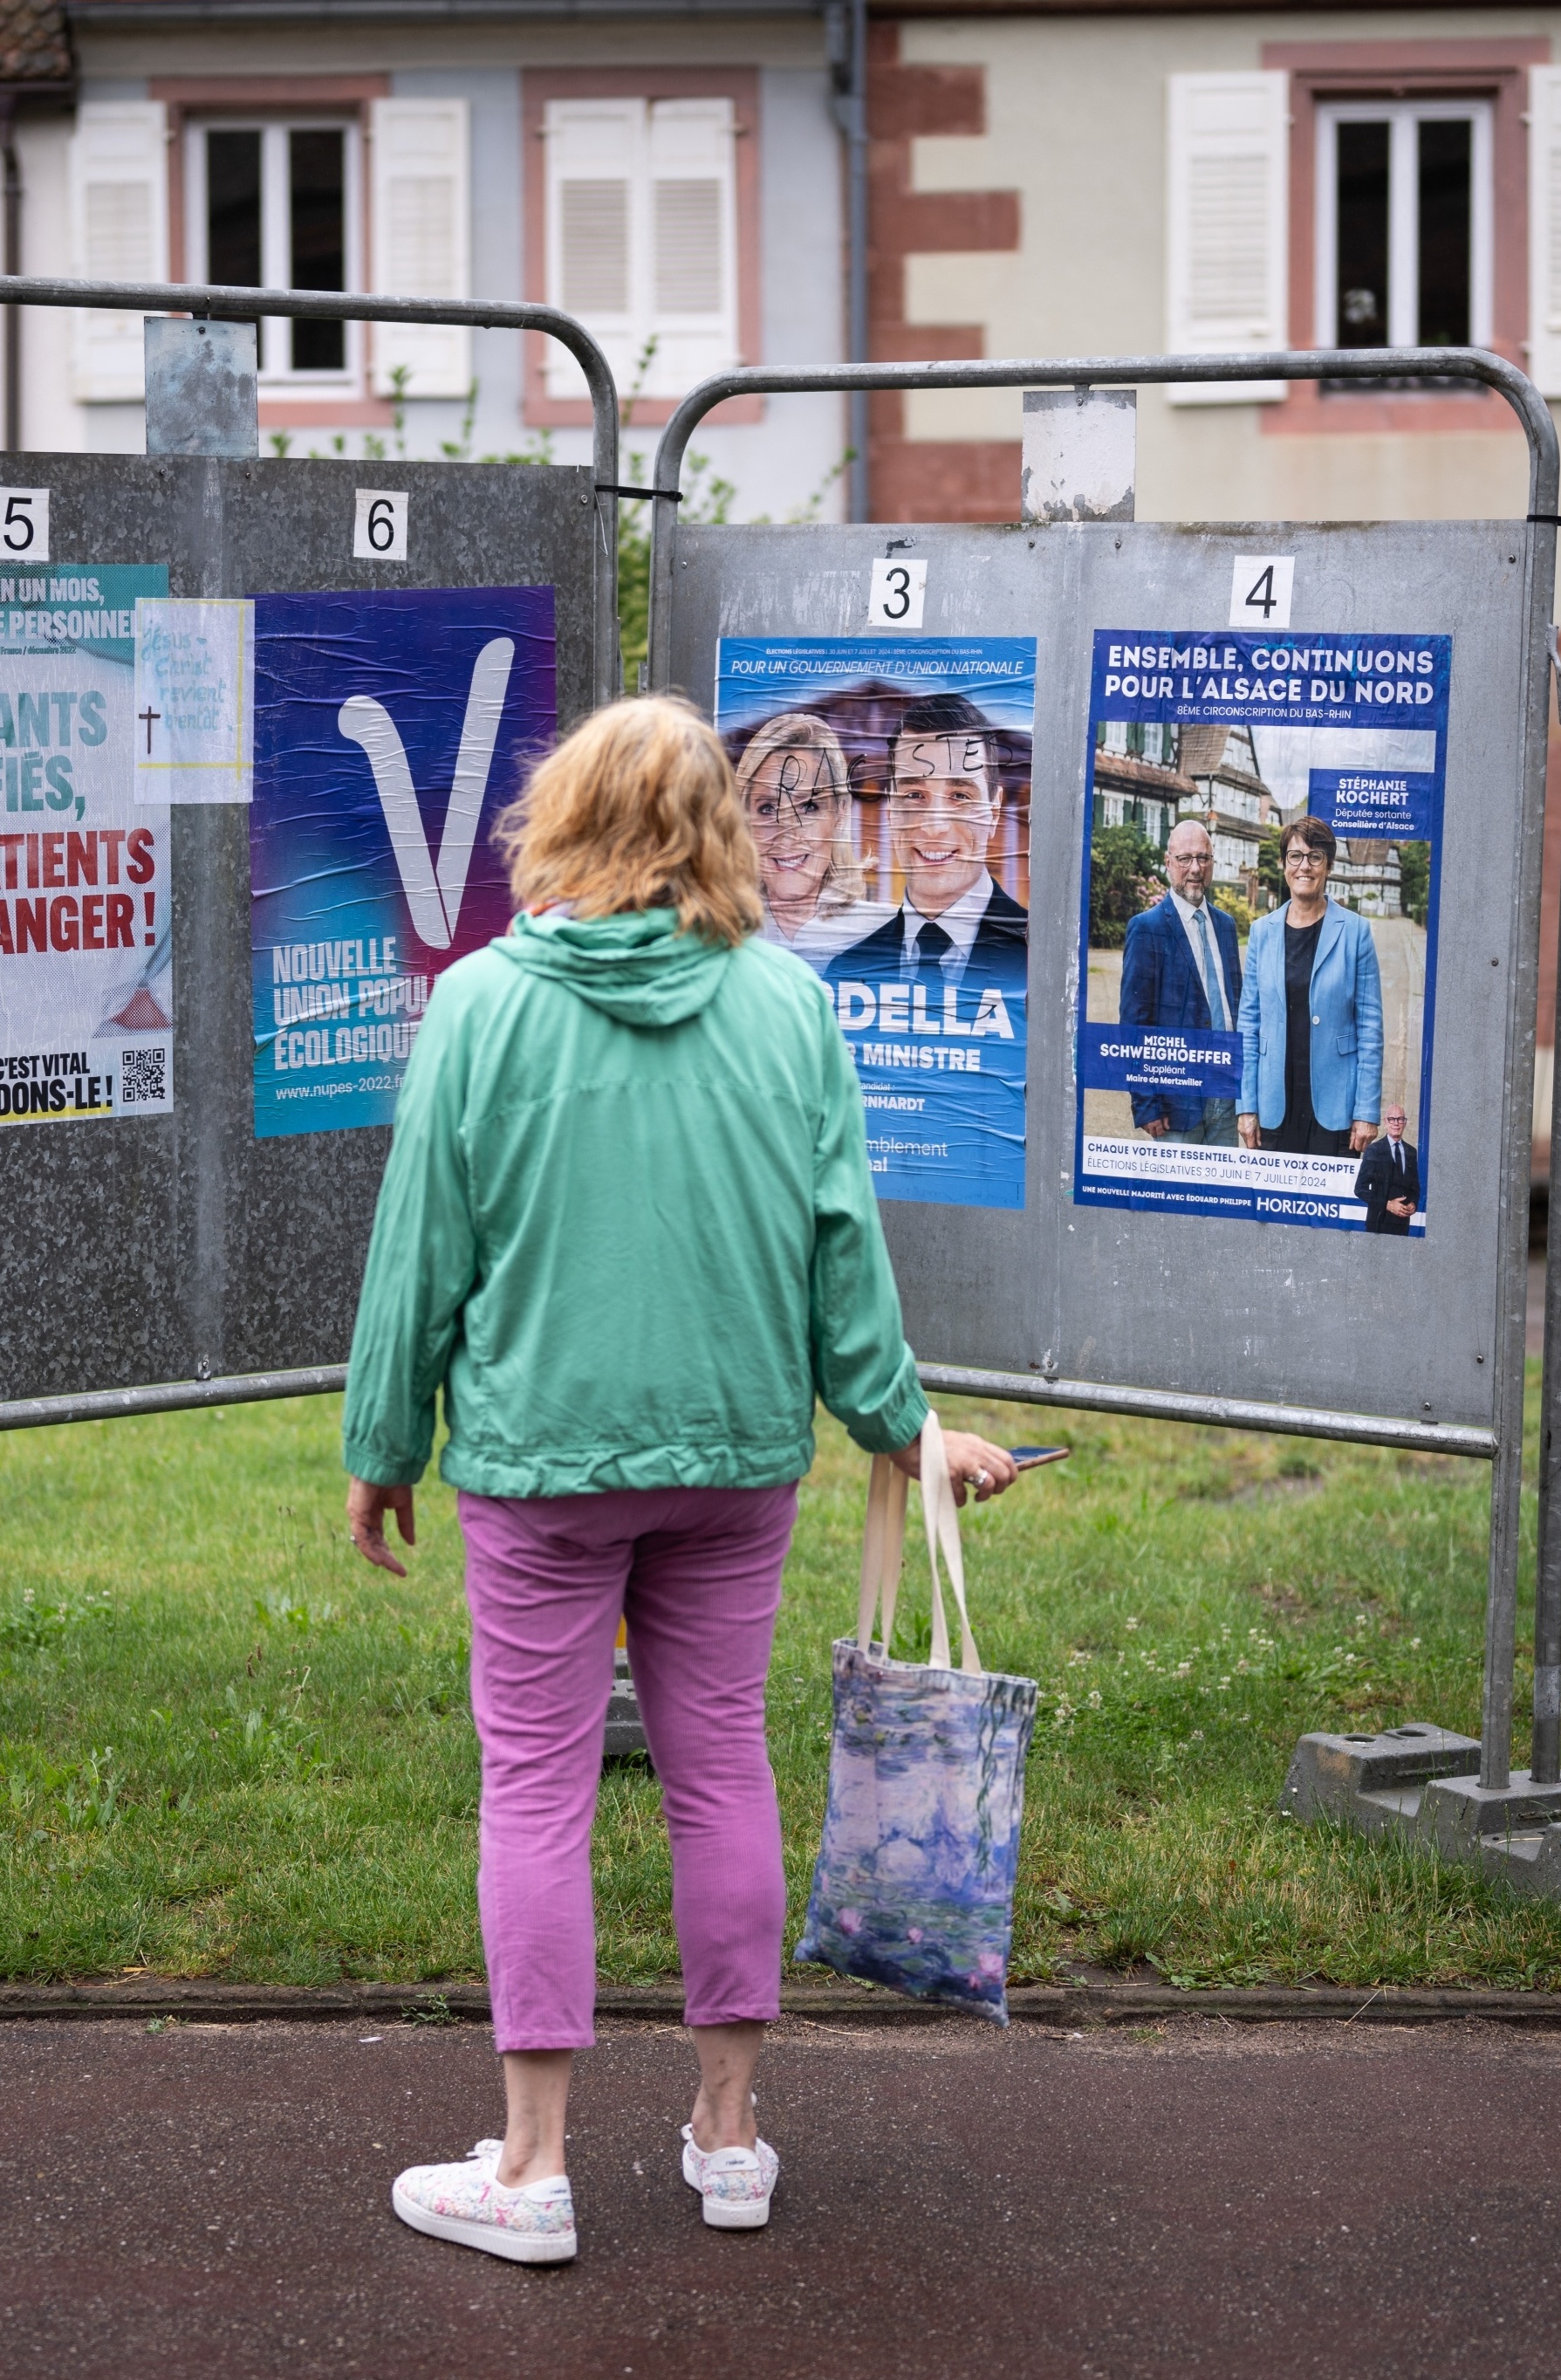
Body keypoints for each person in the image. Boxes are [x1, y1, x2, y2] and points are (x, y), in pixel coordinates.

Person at [340, 695, 1016, 2267]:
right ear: (719, 829)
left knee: (535, 1788)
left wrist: (384, 1448)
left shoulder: (482, 1008)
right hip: (734, 1460)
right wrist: (901, 1426)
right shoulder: (787, 1009)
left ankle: (532, 2166)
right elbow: (843, 1256)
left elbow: (415, 1253)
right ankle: (726, 2136)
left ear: (562, 819)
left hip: (538, 1463)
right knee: (719, 1767)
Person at [830, 692, 1026, 990]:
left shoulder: (1040, 958)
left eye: (960, 796)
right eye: (914, 795)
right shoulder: (847, 971)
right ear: (891, 809)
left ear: (994, 810)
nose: (934, 827)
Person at [1236, 816, 1382, 1157]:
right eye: (1295, 856)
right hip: (1274, 1103)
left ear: (1328, 866)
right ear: (1283, 864)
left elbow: (1371, 1028)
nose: (1305, 866)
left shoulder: (1356, 932)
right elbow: (1248, 1025)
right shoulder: (1261, 932)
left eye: (1315, 857)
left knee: (1332, 1208)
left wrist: (1366, 1111)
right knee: (1273, 1208)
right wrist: (1246, 1105)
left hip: (1336, 1109)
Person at [1116, 817, 1243, 1141]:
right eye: (1185, 859)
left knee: (1221, 1191)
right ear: (1168, 863)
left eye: (1203, 857)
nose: (1195, 869)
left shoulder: (1226, 926)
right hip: (1176, 1105)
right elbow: (1135, 1022)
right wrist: (1146, 1104)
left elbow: (1237, 1006)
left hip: (1227, 1097)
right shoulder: (1147, 928)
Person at [733, 710, 886, 968]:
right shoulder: (717, 935)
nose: (787, 832)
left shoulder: (886, 937)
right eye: (768, 808)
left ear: (840, 812)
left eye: (809, 806)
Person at [1352, 1104, 1421, 1234]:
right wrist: (1388, 1205)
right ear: (1385, 1122)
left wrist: (1413, 1203)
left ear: (1405, 1122)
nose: (1396, 1123)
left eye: (1400, 1119)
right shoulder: (1373, 1150)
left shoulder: (1411, 1152)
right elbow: (1360, 1189)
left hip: (1402, 1225)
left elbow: (1415, 1187)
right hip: (1378, 1223)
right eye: (1392, 1119)